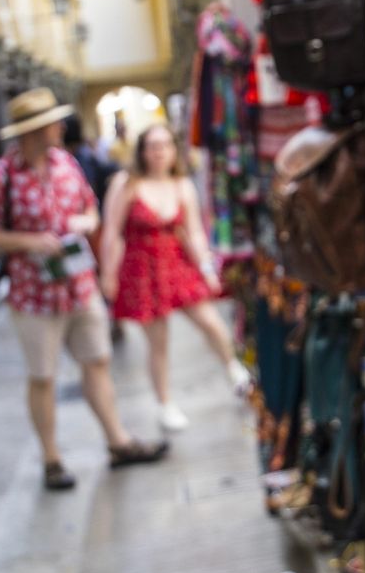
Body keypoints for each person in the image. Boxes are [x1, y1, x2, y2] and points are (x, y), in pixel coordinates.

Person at [0, 88, 168, 491]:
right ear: (35, 131)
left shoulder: (67, 164)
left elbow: (90, 208)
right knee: (43, 376)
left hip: (79, 285)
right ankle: (51, 459)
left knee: (97, 361)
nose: (61, 128)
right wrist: (29, 243)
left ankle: (117, 441)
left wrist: (85, 222)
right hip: (33, 294)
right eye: (53, 123)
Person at [99, 124, 251, 431]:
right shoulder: (126, 184)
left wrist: (207, 269)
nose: (158, 152)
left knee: (210, 321)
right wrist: (108, 273)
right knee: (158, 342)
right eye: (152, 146)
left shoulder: (182, 185)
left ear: (173, 149)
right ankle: (164, 403)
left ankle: (234, 368)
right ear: (143, 150)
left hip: (177, 264)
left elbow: (194, 232)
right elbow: (112, 231)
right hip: (142, 269)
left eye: (164, 145)